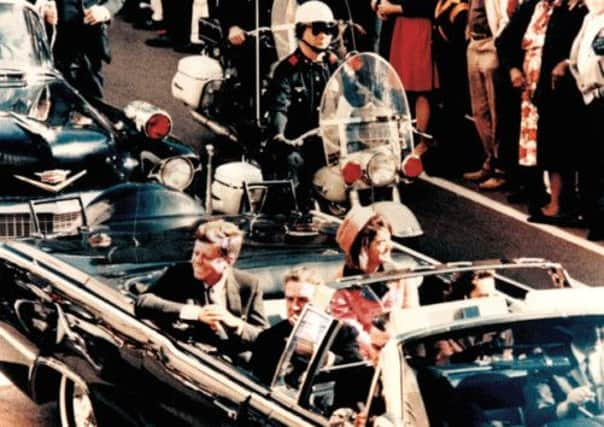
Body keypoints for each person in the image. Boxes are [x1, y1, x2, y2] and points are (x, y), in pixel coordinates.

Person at [496, 0, 586, 221]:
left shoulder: (572, 12)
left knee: (555, 146)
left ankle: (558, 203)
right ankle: (537, 194)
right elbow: (504, 41)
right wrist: (513, 69)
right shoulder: (531, 8)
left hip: (557, 89)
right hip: (527, 87)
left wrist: (564, 63)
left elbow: (577, 49)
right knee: (531, 145)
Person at [135, 220, 268, 355]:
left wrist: (237, 325)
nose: (196, 261)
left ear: (227, 262)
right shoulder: (180, 275)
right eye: (196, 253)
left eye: (206, 257)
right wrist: (196, 314)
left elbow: (266, 339)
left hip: (231, 369)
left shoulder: (249, 285)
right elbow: (143, 303)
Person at [264, 0, 339, 213]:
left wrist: (372, 107)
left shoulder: (334, 64)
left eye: (329, 28)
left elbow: (354, 93)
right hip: (298, 143)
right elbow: (280, 106)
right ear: (300, 30)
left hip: (330, 143)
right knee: (293, 164)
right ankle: (294, 217)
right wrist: (280, 135)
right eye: (317, 28)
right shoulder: (286, 70)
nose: (323, 34)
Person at [330, 206, 420, 362]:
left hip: (400, 348)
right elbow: (349, 327)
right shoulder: (342, 282)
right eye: (381, 242)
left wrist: (394, 338)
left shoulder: (402, 274)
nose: (389, 246)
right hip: (362, 356)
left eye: (389, 240)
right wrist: (372, 348)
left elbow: (411, 313)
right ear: (363, 247)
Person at [250, 265, 361, 384]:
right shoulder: (268, 339)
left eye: (303, 300)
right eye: (290, 299)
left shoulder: (343, 333)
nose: (294, 307)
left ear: (320, 302)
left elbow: (357, 373)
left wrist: (321, 356)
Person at [375, 0, 438, 158]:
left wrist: (393, 8)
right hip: (398, 28)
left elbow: (430, 5)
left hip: (419, 27)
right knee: (395, 89)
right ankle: (397, 138)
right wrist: (378, 5)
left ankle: (423, 142)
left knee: (421, 90)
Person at [462, 0, 512, 190]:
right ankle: (489, 160)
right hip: (474, 43)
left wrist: (498, 40)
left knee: (496, 110)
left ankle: (501, 169)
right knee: (479, 110)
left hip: (491, 42)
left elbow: (505, 16)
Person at [39, 0, 124, 100]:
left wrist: (106, 10)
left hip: (89, 42)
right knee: (47, 100)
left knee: (90, 104)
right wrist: (43, 4)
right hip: (52, 38)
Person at [569, 0, 604, 240]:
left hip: (601, 95)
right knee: (590, 160)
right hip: (588, 95)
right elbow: (578, 54)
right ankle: (592, 215)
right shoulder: (590, 18)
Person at [523, 323, 604, 426]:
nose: (598, 333)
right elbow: (536, 417)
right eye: (589, 325)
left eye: (601, 324)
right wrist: (567, 405)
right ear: (571, 329)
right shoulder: (546, 363)